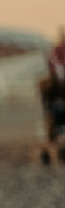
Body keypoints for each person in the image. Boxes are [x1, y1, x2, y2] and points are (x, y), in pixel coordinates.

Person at [38, 31, 65, 166]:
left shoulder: (55, 51)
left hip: (53, 103)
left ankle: (48, 152)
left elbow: (51, 65)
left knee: (50, 120)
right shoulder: (57, 51)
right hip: (56, 97)